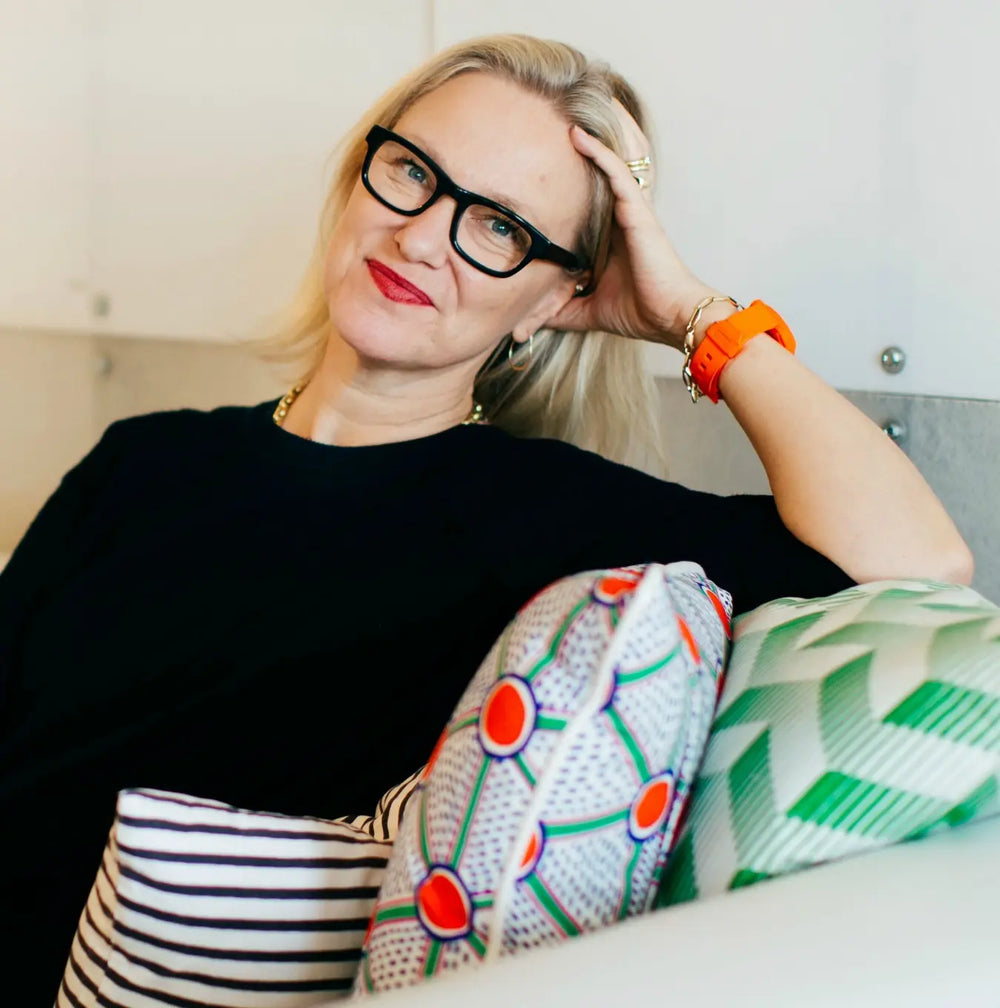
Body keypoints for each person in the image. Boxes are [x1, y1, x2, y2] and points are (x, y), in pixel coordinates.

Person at [0, 33, 971, 1000]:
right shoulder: (144, 455)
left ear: (552, 299)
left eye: (501, 227)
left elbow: (916, 562)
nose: (421, 235)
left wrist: (688, 312)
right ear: (357, 177)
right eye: (411, 173)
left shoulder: (551, 519)